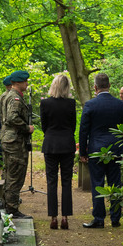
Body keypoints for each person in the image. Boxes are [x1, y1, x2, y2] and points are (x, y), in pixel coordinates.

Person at [79, 72, 123, 228]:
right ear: (109, 86)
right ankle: (115, 218)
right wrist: (122, 149)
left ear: (95, 87)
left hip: (96, 149)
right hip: (116, 149)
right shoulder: (120, 104)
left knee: (97, 184)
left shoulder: (90, 104)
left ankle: (99, 218)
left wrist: (83, 152)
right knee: (115, 183)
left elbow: (83, 130)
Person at [40, 74, 77, 230]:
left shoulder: (45, 103)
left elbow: (44, 125)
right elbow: (73, 125)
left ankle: (53, 217)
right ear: (66, 87)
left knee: (51, 181)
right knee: (67, 181)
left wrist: (51, 134)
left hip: (51, 144)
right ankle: (65, 217)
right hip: (67, 144)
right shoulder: (71, 103)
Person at [0, 69, 34, 218]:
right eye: (25, 81)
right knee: (15, 176)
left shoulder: (11, 95)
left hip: (10, 140)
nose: (27, 84)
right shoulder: (15, 98)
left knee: (10, 175)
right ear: (18, 83)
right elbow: (12, 117)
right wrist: (27, 128)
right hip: (15, 142)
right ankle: (12, 209)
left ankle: (8, 205)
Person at [0, 76, 13, 178]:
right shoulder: (9, 97)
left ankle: (3, 180)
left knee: (2, 161)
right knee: (6, 162)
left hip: (2, 132)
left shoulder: (3, 96)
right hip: (8, 134)